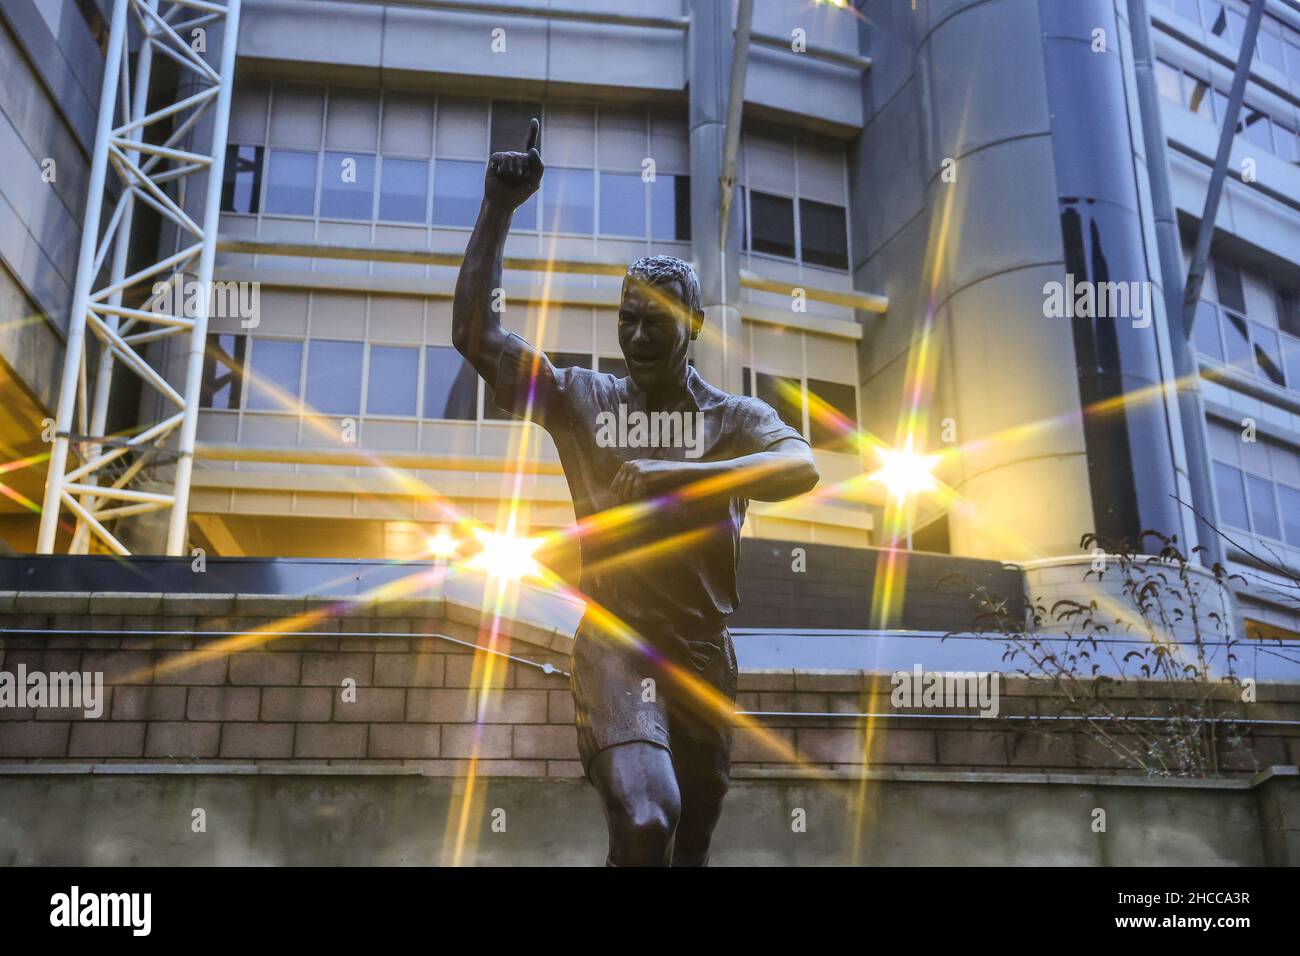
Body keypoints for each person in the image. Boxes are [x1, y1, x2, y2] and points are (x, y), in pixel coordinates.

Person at [452, 118, 819, 866]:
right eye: (628, 319)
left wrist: (678, 481)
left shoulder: (735, 418)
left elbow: (800, 466)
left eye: (658, 322)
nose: (639, 335)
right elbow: (475, 337)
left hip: (703, 657)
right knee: (650, 817)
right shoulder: (584, 400)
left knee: (683, 843)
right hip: (617, 645)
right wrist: (497, 208)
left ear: (695, 328)